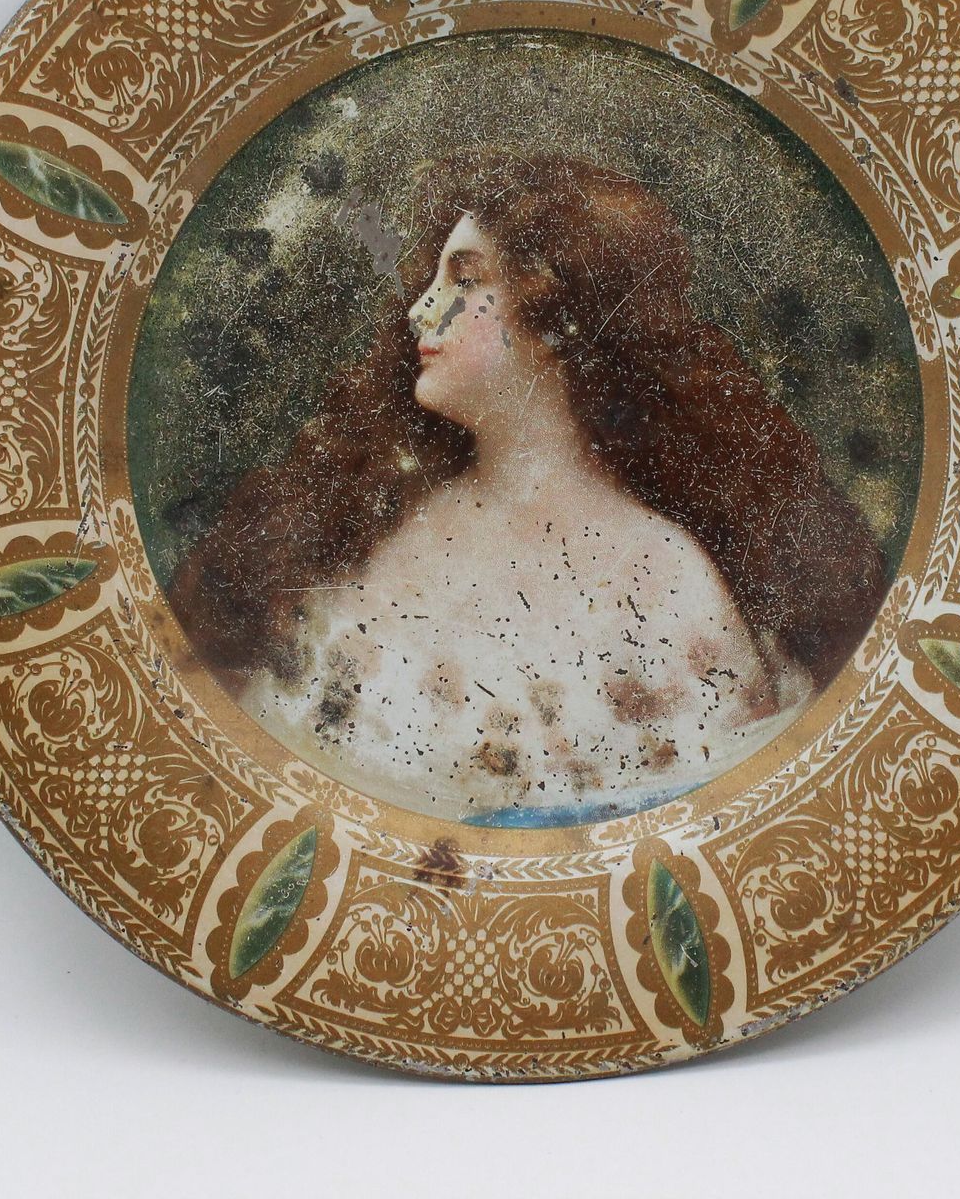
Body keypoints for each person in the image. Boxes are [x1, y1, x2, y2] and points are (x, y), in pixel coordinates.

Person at [169, 148, 886, 824]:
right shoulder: (391, 537)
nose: (421, 310)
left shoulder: (668, 578)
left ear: (556, 317)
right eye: (435, 279)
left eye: (464, 280)